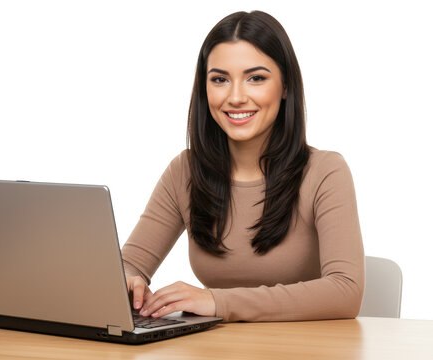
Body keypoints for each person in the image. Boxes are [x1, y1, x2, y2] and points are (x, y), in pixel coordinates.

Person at [121, 10, 365, 322]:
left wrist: (217, 301)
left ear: (286, 86)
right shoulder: (185, 171)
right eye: (220, 79)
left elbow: (345, 292)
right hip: (218, 350)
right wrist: (128, 282)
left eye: (256, 78)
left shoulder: (325, 171)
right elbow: (128, 265)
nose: (235, 97)